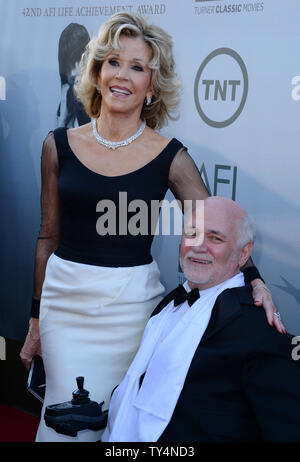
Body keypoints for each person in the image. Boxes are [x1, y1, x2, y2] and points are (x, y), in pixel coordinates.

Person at [20, 12, 284, 442]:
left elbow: (218, 229)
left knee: (120, 424)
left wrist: (255, 281)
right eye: (113, 62)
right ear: (97, 71)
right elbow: (47, 238)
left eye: (138, 67)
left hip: (128, 312)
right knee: (63, 430)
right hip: (63, 308)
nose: (123, 75)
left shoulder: (170, 156)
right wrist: (34, 321)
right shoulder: (58, 145)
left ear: (151, 85)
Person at [102, 197, 300, 442]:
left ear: (244, 253)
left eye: (215, 238)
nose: (198, 246)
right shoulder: (168, 303)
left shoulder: (256, 328)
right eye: (192, 233)